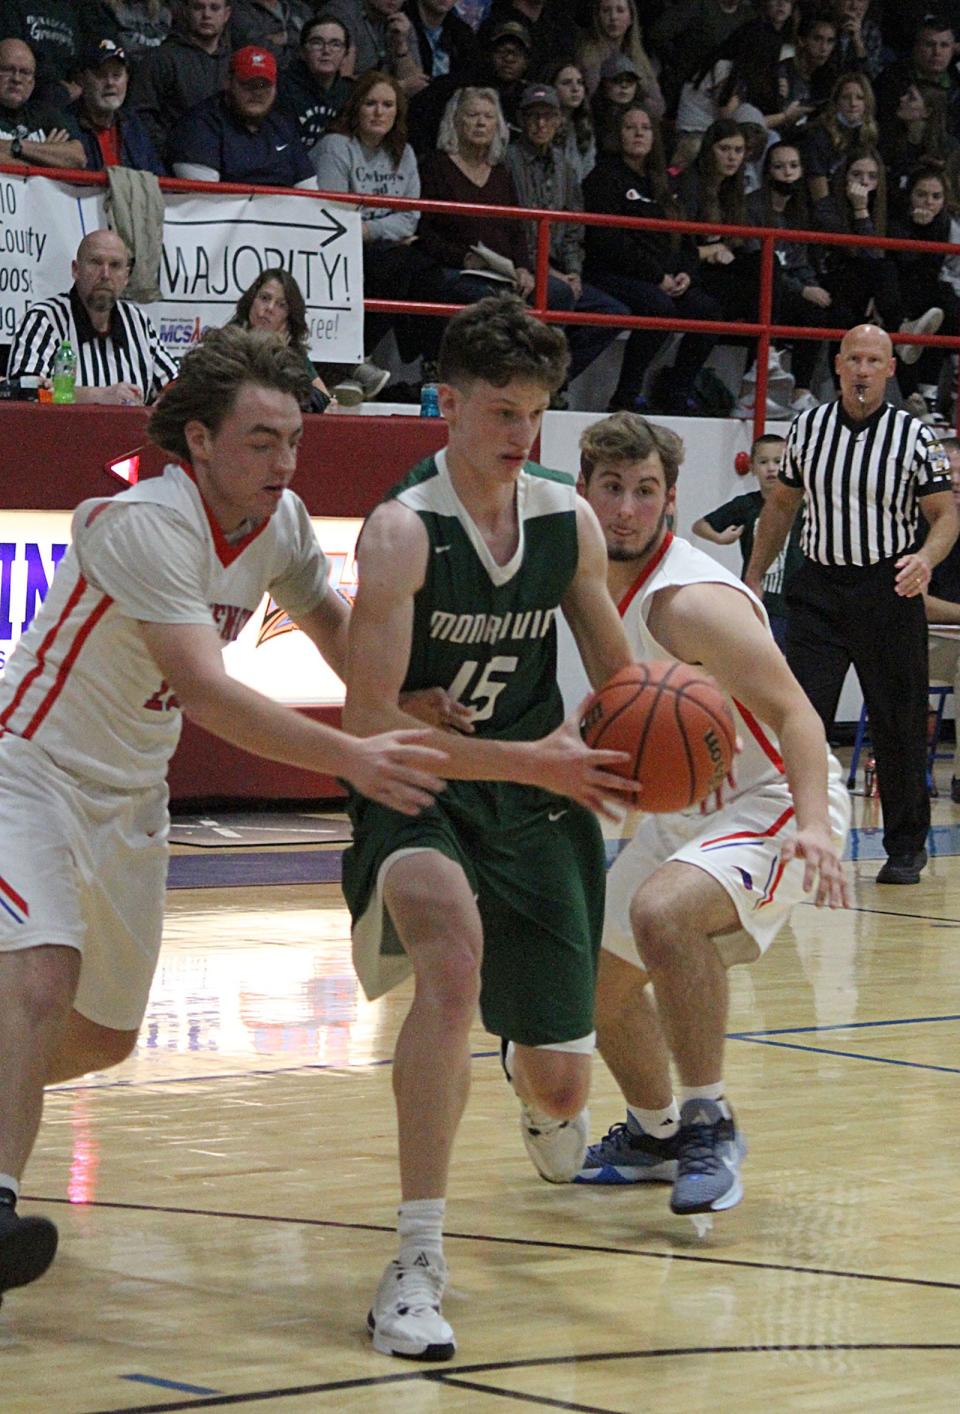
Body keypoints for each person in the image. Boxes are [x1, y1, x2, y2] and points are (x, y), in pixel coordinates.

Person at [0, 323, 451, 1301]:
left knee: (105, 1034)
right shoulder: (146, 524)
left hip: (130, 796)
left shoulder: (280, 526)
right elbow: (204, 690)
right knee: (38, 980)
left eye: (293, 440)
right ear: (199, 440)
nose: (285, 463)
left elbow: (337, 632)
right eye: (260, 440)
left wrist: (398, 706)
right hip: (27, 769)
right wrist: (353, 755)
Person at [341, 295, 638, 1360]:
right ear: (448, 404)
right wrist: (536, 756)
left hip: (535, 799)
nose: (521, 436)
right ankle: (414, 1261)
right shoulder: (401, 528)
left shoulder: (567, 518)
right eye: (502, 412)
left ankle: (533, 1072)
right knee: (449, 963)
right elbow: (371, 722)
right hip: (419, 791)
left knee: (561, 1081)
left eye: (536, 415)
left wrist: (682, 733)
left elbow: (621, 676)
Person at [571, 411, 848, 1216]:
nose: (626, 507)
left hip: (774, 801)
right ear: (583, 489)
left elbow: (798, 714)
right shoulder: (585, 578)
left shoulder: (686, 603)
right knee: (591, 989)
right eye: (612, 488)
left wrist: (818, 828)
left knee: (663, 914)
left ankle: (707, 1121)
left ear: (670, 500)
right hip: (690, 808)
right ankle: (656, 1134)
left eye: (645, 492)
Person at [745, 323, 959, 886]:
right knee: (799, 716)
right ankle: (785, 834)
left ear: (890, 370)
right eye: (853, 359)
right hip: (818, 588)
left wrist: (926, 560)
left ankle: (907, 845)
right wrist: (750, 580)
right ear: (838, 366)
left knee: (898, 722)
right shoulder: (808, 429)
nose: (863, 370)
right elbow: (781, 508)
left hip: (888, 589)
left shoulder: (916, 437)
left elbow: (945, 515)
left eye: (874, 361)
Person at [582, 103, 722, 414]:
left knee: (708, 311)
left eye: (645, 128)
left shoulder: (663, 183)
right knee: (658, 307)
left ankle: (676, 392)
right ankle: (625, 396)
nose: (638, 134)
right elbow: (608, 242)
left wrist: (687, 273)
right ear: (618, 135)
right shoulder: (603, 178)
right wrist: (656, 276)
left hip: (666, 276)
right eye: (630, 127)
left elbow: (683, 239)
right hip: (614, 273)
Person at [505, 81, 630, 397]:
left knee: (612, 313)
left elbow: (574, 227)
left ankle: (551, 382)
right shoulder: (508, 161)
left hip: (559, 267)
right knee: (558, 294)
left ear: (559, 120)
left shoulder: (566, 166)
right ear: (521, 119)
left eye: (547, 116)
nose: (541, 124)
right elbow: (514, 230)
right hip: (520, 267)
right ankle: (537, 383)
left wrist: (573, 271)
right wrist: (551, 273)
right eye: (533, 116)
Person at [312, 69, 425, 398]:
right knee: (392, 264)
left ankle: (350, 361)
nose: (379, 112)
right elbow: (332, 216)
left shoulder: (404, 153)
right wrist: (379, 230)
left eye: (388, 105)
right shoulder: (335, 146)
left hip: (374, 243)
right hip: (333, 248)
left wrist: (368, 228)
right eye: (371, 104)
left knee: (416, 268)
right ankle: (349, 361)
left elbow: (410, 218)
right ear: (356, 108)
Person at [7, 228, 178, 407]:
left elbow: (176, 384)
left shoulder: (138, 321)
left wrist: (166, 404)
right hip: (60, 434)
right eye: (96, 263)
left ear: (126, 277)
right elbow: (23, 392)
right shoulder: (44, 319)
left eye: (115, 265)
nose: (105, 274)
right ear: (76, 270)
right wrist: (97, 395)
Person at [692, 432, 804, 648]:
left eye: (778, 462)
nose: (771, 468)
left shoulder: (802, 504)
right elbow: (700, 525)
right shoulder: (746, 505)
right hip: (757, 600)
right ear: (752, 467)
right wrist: (719, 537)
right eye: (763, 462)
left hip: (795, 603)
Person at [168, 43, 317, 185]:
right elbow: (204, 201)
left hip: (282, 209)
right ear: (228, 82)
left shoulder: (282, 124)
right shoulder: (199, 125)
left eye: (264, 85)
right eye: (249, 84)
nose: (257, 93)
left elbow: (309, 192)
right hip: (225, 210)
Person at [131, 0, 234, 160]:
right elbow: (140, 116)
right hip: (174, 166)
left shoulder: (235, 63)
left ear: (226, 14)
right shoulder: (160, 59)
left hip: (229, 164)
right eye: (198, 7)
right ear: (185, 11)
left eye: (215, 8)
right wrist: (172, 151)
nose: (206, 15)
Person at [229, 266, 333, 411]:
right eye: (264, 298)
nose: (270, 308)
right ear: (252, 299)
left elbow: (325, 400)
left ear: (288, 317)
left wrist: (282, 353)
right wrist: (273, 356)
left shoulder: (292, 351)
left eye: (281, 305)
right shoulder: (228, 342)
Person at [923, 437, 960, 801]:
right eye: (950, 473)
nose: (957, 480)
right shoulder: (912, 528)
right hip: (922, 640)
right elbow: (918, 603)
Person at [73, 37, 166, 176]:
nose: (110, 83)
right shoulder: (66, 122)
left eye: (117, 75)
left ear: (127, 79)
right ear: (82, 79)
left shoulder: (134, 126)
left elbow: (158, 177)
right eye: (101, 75)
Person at [0, 37, 86, 170]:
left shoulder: (44, 113)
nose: (16, 79)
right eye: (7, 69)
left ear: (33, 82)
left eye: (25, 72)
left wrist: (14, 147)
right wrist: (47, 158)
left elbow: (78, 158)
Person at [278, 11, 355, 150]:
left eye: (335, 44)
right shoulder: (280, 86)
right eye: (317, 43)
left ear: (345, 55)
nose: (326, 50)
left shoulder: (350, 93)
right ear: (302, 51)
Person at [575, 0, 663, 116]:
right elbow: (584, 103)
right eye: (606, 11)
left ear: (631, 18)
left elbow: (659, 106)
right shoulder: (588, 58)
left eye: (620, 10)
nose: (613, 17)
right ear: (598, 17)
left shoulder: (638, 58)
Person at [548, 59, 595, 182]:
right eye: (566, 83)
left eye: (580, 83)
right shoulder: (543, 127)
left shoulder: (584, 128)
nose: (575, 89)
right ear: (552, 88)